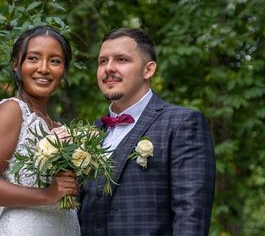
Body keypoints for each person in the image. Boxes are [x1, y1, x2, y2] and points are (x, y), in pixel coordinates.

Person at [79, 28, 216, 235]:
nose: (109, 68)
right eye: (102, 61)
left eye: (121, 60)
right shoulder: (90, 134)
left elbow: (191, 216)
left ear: (148, 70)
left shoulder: (183, 123)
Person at [0, 25, 81, 236]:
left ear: (64, 69)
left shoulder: (59, 128)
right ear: (15, 65)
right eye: (33, 58)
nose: (44, 68)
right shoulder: (12, 111)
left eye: (55, 61)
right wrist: (48, 195)